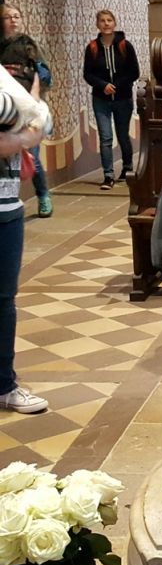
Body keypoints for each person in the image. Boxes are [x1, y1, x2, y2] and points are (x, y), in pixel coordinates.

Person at [0, 64, 51, 414]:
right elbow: (18, 110)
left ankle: (4, 384)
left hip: (6, 205)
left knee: (4, 301)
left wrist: (19, 135)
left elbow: (42, 119)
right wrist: (25, 131)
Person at [1, 4, 53, 218]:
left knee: (31, 155)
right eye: (8, 17)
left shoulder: (28, 45)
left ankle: (43, 195)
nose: (13, 20)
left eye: (17, 16)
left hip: (26, 107)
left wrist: (37, 95)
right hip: (4, 109)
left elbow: (44, 75)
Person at [83, 9, 140, 190]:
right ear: (97, 24)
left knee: (123, 135)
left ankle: (127, 167)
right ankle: (108, 175)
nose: (106, 23)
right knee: (105, 137)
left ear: (114, 23)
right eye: (102, 21)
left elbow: (134, 71)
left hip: (123, 98)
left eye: (109, 20)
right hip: (101, 99)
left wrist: (117, 85)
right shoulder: (92, 48)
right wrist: (103, 85)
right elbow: (88, 73)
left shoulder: (125, 46)